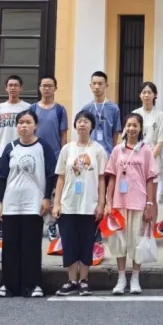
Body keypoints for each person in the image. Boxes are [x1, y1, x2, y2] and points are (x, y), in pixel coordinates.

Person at [0, 109, 56, 298]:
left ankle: (33, 285)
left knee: (31, 246)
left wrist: (47, 198)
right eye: (21, 123)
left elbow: (51, 174)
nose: (24, 126)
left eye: (28, 122)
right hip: (11, 203)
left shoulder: (43, 147)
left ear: (35, 125)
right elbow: (1, 176)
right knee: (10, 246)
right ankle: (8, 285)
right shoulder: (10, 147)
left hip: (34, 204)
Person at [53, 111, 107, 297]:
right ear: (75, 126)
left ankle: (84, 280)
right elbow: (61, 177)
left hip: (89, 204)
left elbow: (102, 178)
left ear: (92, 126)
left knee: (86, 243)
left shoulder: (98, 150)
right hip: (68, 203)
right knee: (69, 242)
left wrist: (101, 203)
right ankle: (71, 281)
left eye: (86, 121)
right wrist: (56, 203)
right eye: (79, 121)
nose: (82, 124)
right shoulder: (67, 149)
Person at [105, 113, 159, 295]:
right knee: (119, 242)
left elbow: (150, 178)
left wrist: (150, 203)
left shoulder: (146, 150)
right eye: (128, 125)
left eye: (135, 125)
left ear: (140, 128)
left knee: (137, 242)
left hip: (139, 202)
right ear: (124, 128)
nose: (131, 128)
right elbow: (112, 177)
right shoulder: (117, 150)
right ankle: (121, 278)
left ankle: (135, 277)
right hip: (119, 203)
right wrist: (108, 201)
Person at [0, 75, 31, 240]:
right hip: (0, 154)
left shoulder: (27, 108)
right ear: (6, 88)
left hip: (21, 153)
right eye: (10, 85)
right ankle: (0, 227)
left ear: (21, 88)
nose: (13, 88)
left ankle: (18, 225)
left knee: (19, 190)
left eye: (16, 85)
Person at [30, 75, 68, 241]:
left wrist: (64, 155)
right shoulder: (32, 109)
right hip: (35, 154)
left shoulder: (60, 110)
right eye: (44, 85)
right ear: (39, 88)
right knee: (36, 189)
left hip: (55, 156)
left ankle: (52, 224)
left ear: (55, 88)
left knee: (53, 192)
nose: (46, 88)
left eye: (50, 86)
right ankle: (35, 223)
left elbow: (63, 135)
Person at [133, 82, 163, 199]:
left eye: (149, 92)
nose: (146, 95)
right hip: (136, 158)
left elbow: (161, 141)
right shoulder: (135, 113)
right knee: (137, 195)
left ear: (155, 95)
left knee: (152, 197)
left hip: (154, 158)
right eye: (144, 92)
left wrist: (148, 158)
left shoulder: (160, 115)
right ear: (139, 95)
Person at [81, 71, 122, 155]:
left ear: (106, 85)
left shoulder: (114, 108)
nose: (97, 87)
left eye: (100, 84)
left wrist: (113, 151)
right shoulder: (86, 108)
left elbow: (115, 132)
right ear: (90, 86)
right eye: (94, 83)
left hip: (107, 152)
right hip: (89, 152)